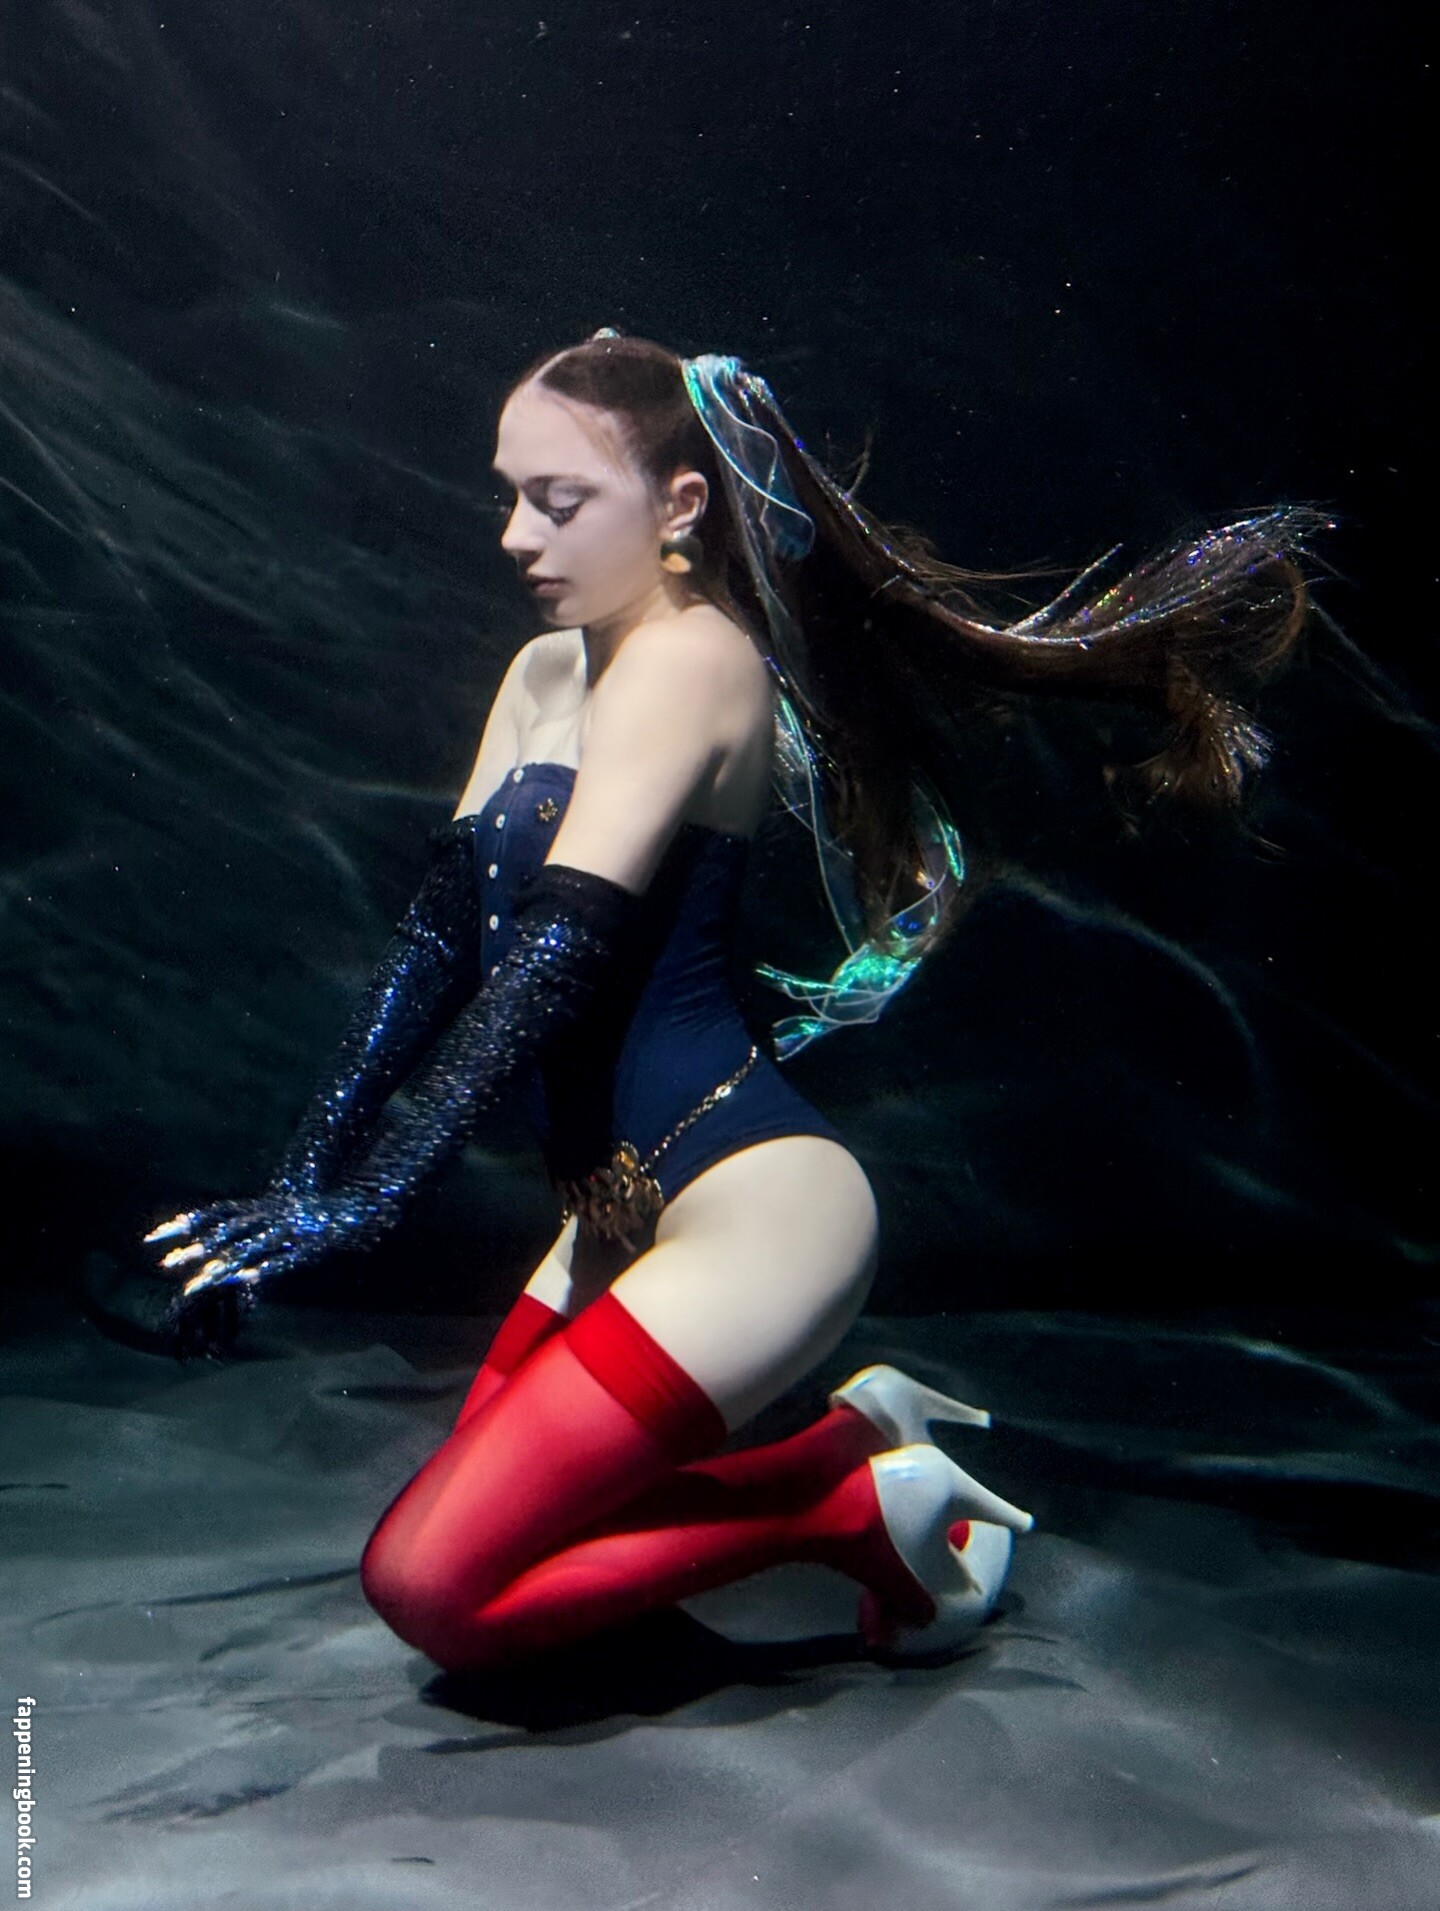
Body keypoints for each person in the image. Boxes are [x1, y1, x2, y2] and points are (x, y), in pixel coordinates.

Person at [141, 332, 1323, 1669]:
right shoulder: (544, 673)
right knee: (527, 1527)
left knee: (435, 1587)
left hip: (758, 1217)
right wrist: (298, 1192)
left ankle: (843, 1503)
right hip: (615, 1216)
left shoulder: (696, 660)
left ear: (681, 505)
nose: (518, 535)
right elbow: (435, 946)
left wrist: (364, 1202)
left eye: (560, 500)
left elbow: (553, 957)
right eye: (510, 495)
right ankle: (850, 1455)